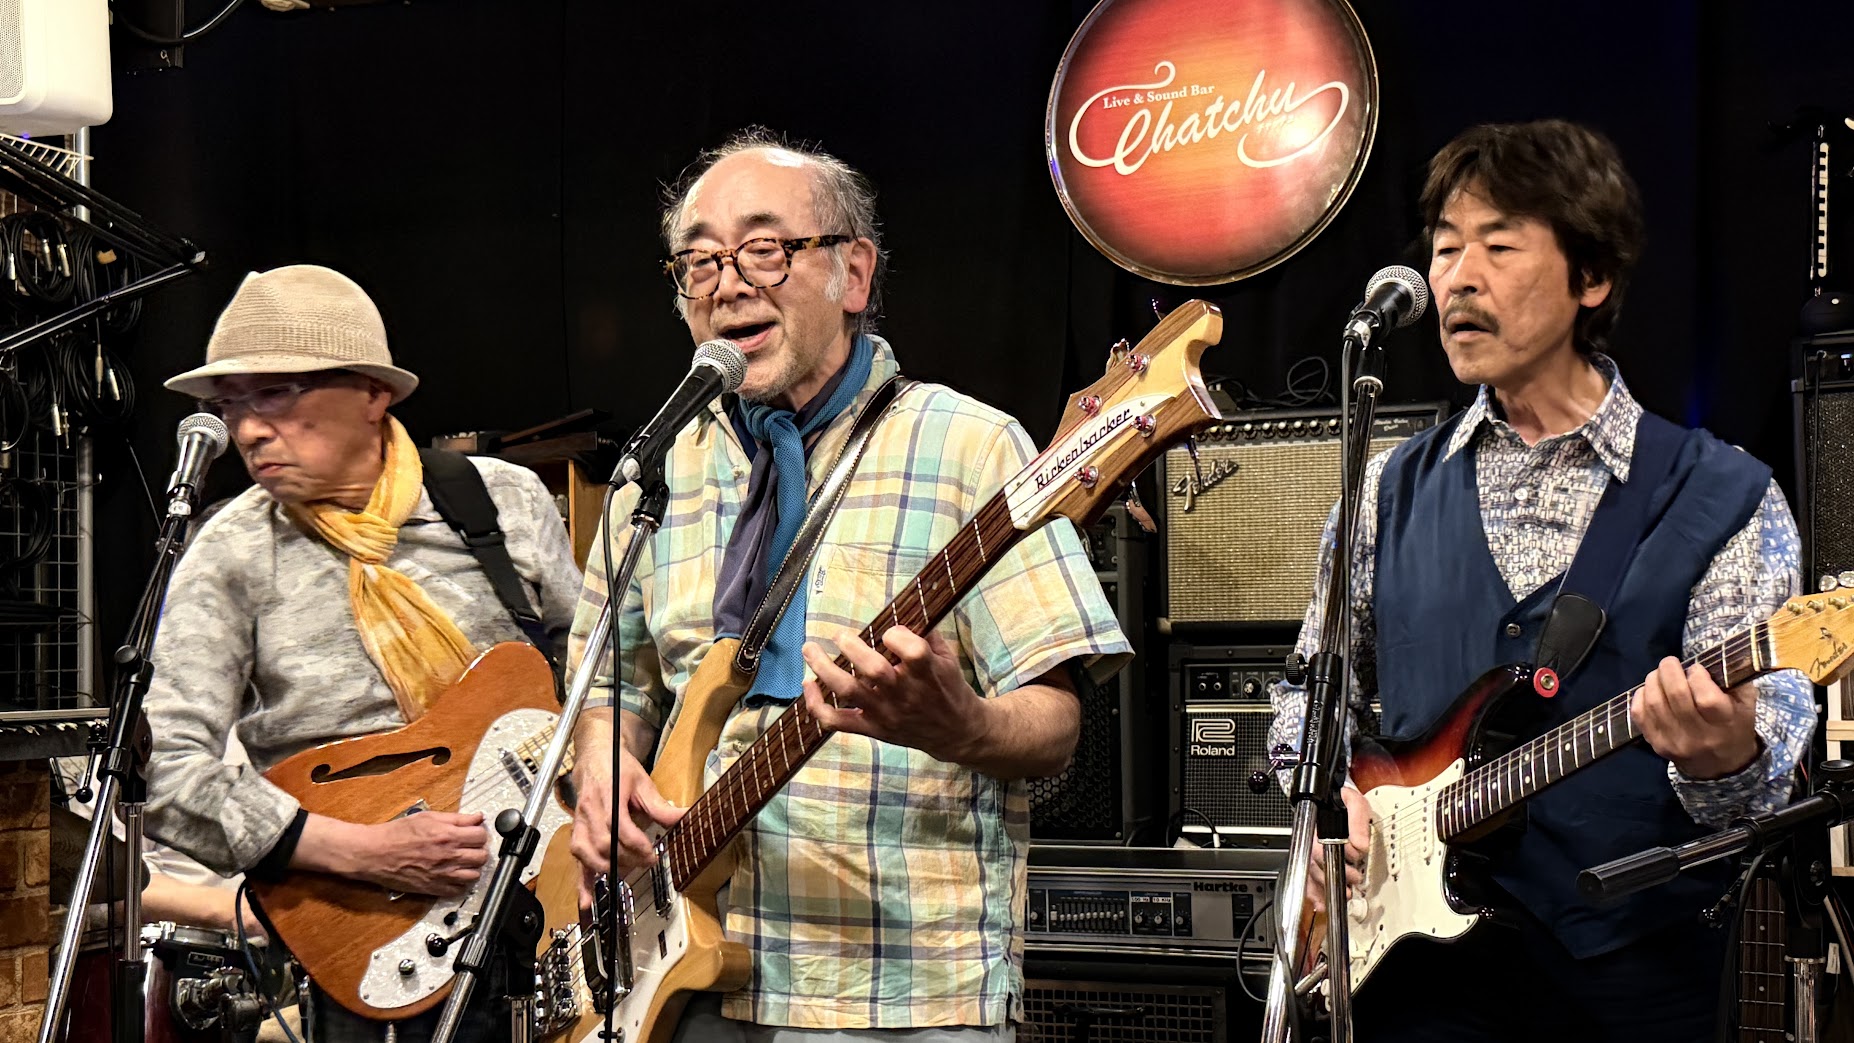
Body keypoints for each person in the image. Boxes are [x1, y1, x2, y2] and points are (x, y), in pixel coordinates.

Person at [567, 129, 1129, 1041]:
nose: (726, 283)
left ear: (853, 274)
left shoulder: (972, 446)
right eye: (699, 260)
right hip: (675, 978)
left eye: (764, 248)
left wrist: (961, 724)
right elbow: (609, 686)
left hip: (899, 994)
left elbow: (1057, 723)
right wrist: (601, 767)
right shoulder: (654, 475)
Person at [1269, 119, 1816, 1042]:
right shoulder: (1383, 493)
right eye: (1446, 247)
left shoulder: (1723, 495)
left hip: (1637, 977)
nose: (1458, 277)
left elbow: (1770, 776)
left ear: (1589, 277)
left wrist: (1723, 753)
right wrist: (1327, 803)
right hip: (1417, 977)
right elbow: (1305, 696)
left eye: (1498, 245)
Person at [141, 264, 582, 1042]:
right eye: (230, 404)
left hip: (552, 907)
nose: (248, 429)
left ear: (374, 393)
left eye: (276, 393)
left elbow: (602, 681)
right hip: (374, 948)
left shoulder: (501, 501)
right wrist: (368, 852)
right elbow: (169, 776)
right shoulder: (230, 551)